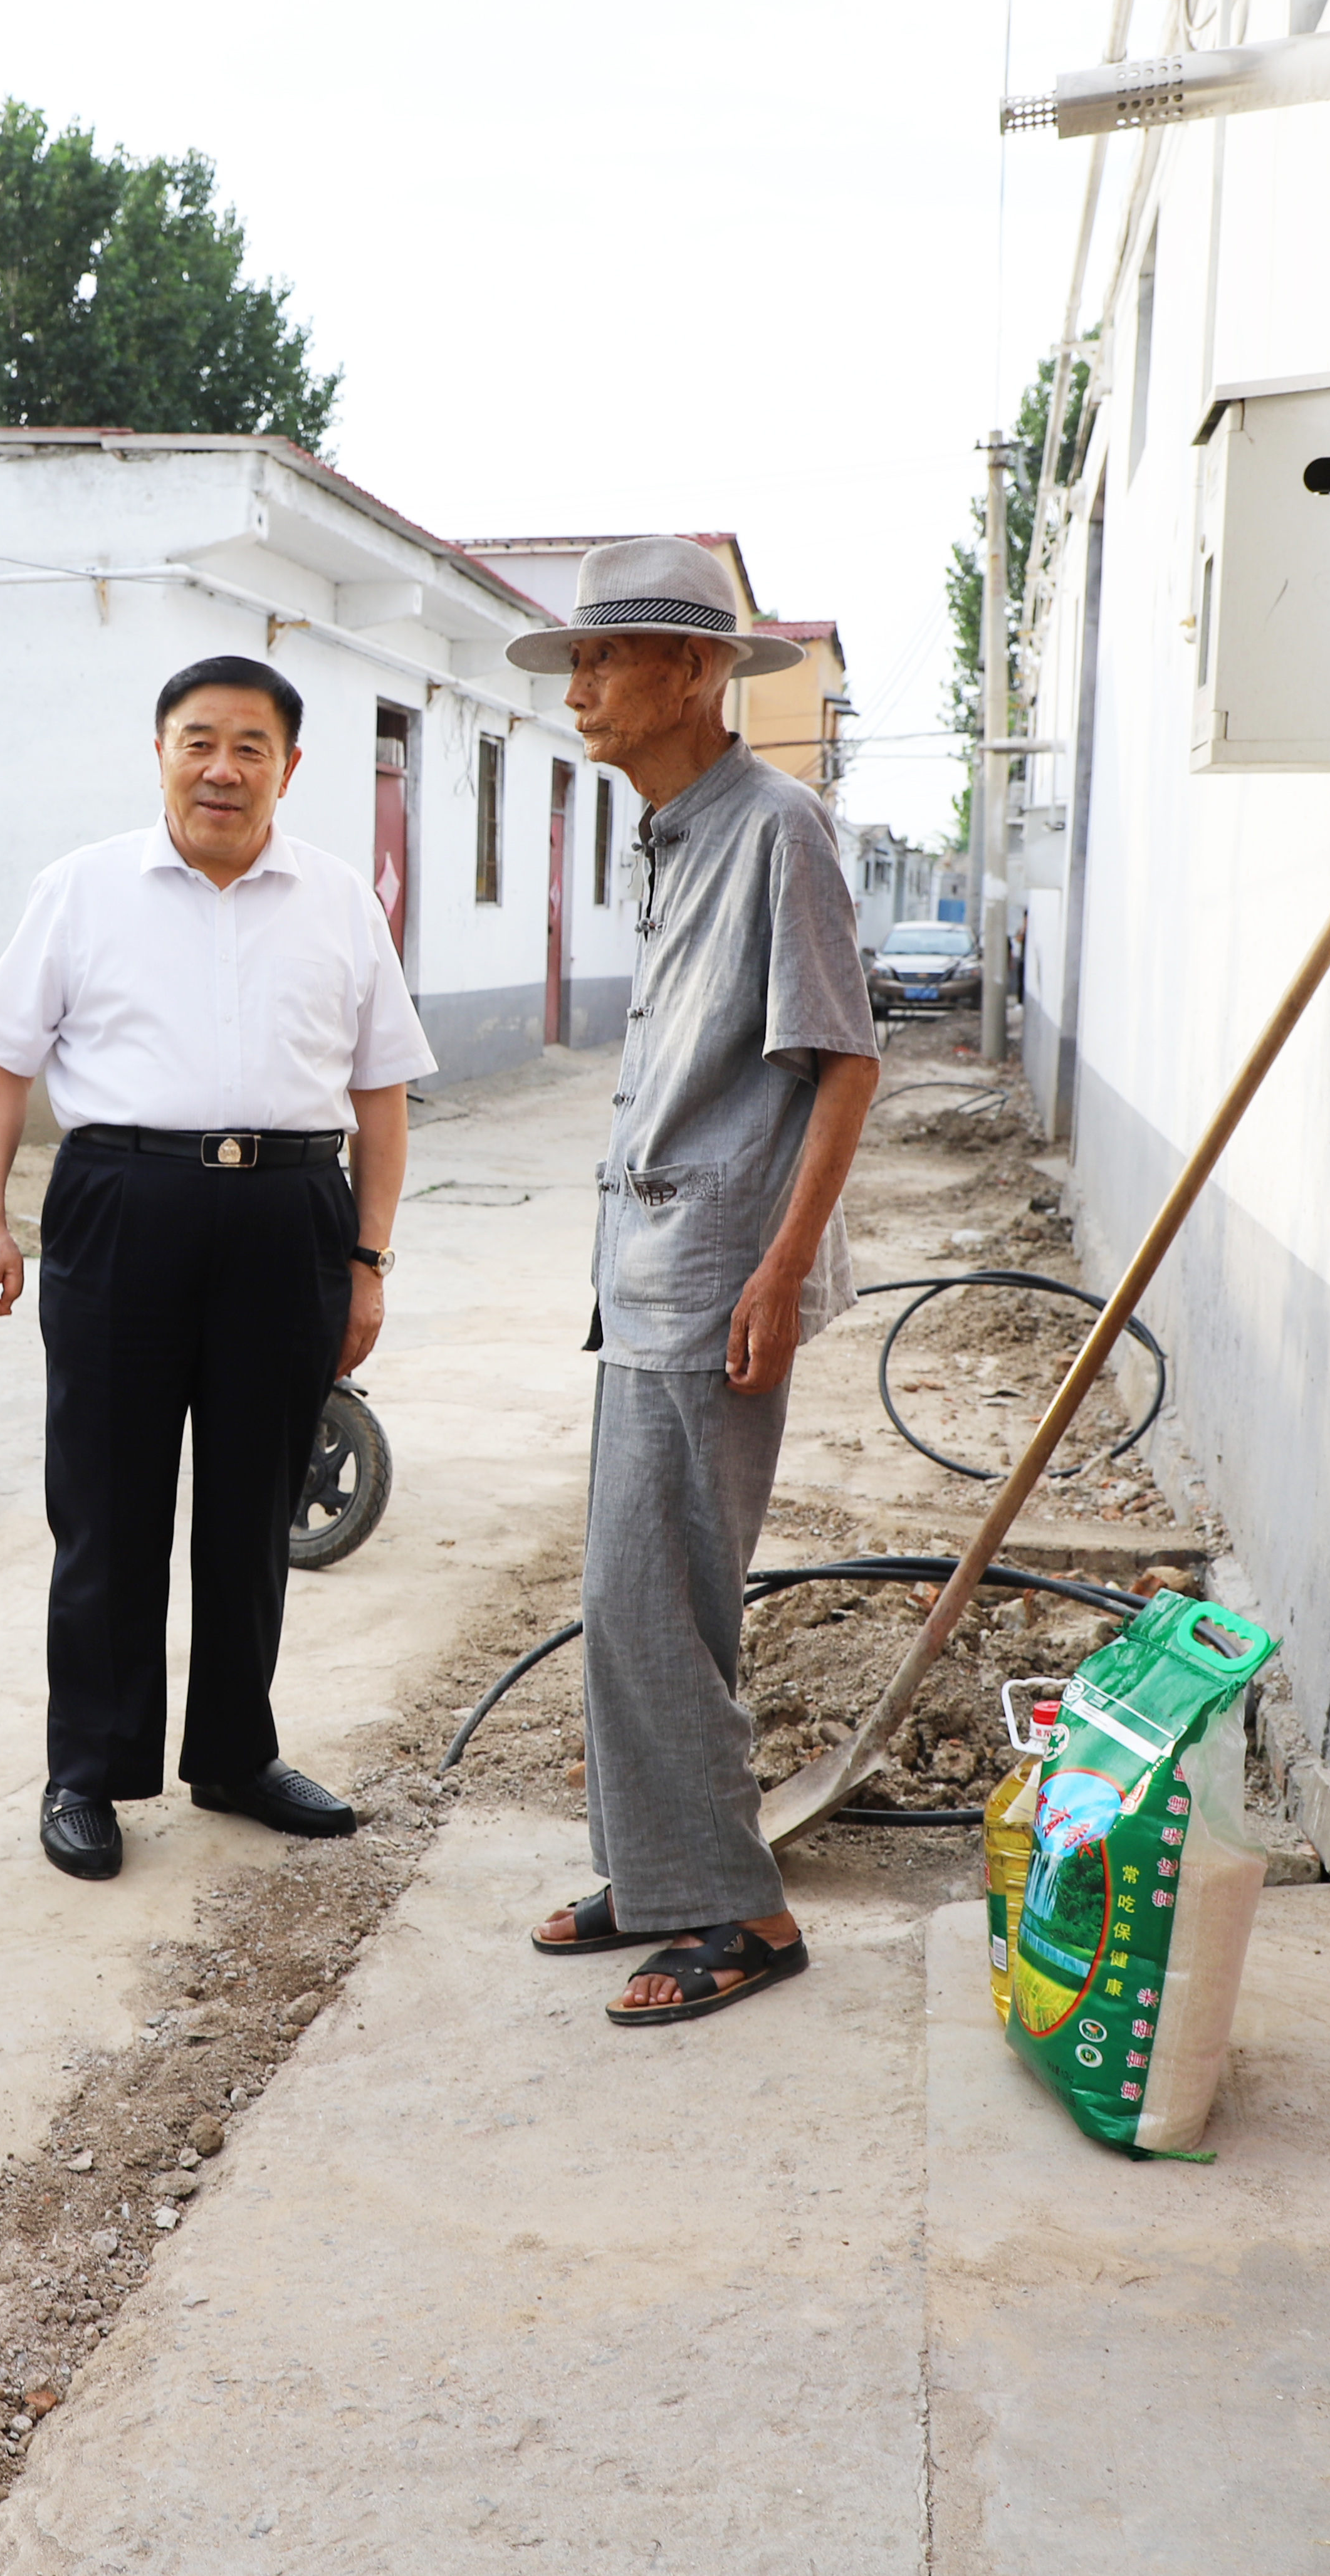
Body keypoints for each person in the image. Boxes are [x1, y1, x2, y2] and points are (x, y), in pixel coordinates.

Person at [0, 655, 436, 1881]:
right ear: (160, 748)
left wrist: (367, 1259)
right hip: (125, 1200)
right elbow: (2, 1067)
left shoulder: (337, 900)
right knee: (107, 1505)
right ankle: (90, 1772)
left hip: (290, 1212)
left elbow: (381, 1093)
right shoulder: (81, 889)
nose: (223, 767)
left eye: (251, 746)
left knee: (250, 1505)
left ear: (290, 764)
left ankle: (233, 1752)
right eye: (199, 740)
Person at [505, 535, 882, 2027]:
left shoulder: (776, 824)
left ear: (699, 672)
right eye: (581, 660)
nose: (582, 688)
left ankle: (742, 1912)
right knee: (641, 1592)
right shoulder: (667, 828)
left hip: (725, 1275)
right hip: (649, 1262)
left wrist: (783, 1272)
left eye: (607, 660)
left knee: (648, 1598)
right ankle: (658, 1871)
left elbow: (845, 1061)